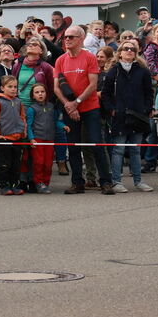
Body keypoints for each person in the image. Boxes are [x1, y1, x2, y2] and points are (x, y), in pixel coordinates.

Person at [55, 25, 115, 195]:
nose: (67, 40)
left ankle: (105, 181)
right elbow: (56, 87)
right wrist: (68, 104)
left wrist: (77, 102)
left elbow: (93, 85)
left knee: (96, 144)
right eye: (66, 37)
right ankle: (77, 182)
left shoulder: (89, 57)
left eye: (71, 37)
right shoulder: (60, 60)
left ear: (81, 39)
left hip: (90, 108)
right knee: (73, 146)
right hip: (70, 109)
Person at [101, 41, 154, 192]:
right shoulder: (114, 70)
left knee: (136, 149)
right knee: (118, 149)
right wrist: (112, 109)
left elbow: (149, 92)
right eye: (126, 48)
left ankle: (138, 181)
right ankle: (117, 182)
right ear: (120, 52)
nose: (129, 51)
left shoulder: (143, 71)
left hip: (138, 115)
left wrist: (147, 108)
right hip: (120, 116)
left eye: (133, 49)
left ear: (136, 52)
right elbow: (105, 93)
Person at [0, 76, 28, 195]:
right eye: (10, 87)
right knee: (4, 164)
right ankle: (4, 185)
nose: (13, 89)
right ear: (2, 88)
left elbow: (22, 117)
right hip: (4, 138)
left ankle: (14, 185)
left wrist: (23, 130)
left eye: (15, 87)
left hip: (17, 138)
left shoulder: (18, 102)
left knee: (16, 164)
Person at [26, 83, 67, 194]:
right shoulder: (31, 109)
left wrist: (63, 126)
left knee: (48, 163)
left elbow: (55, 121)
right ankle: (38, 182)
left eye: (42, 92)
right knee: (39, 162)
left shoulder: (51, 107)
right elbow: (28, 125)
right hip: (38, 139)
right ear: (33, 95)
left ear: (46, 93)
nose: (40, 94)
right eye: (37, 92)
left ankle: (46, 182)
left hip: (49, 139)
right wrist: (31, 138)